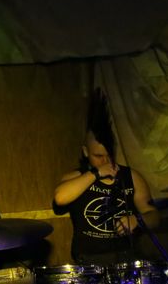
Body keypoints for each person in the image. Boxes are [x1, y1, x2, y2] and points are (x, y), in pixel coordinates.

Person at [52, 89, 157, 265]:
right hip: (89, 261)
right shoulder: (76, 177)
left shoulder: (132, 177)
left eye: (109, 155)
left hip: (126, 258)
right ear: (86, 152)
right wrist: (97, 173)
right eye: (98, 156)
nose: (105, 161)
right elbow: (60, 198)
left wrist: (137, 220)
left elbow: (154, 216)